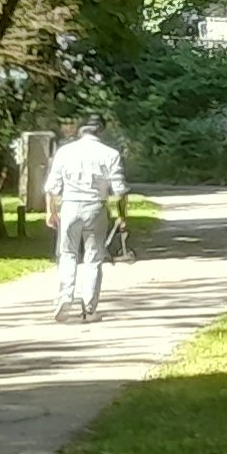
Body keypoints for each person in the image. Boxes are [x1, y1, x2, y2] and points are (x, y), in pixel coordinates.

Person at [41, 117, 129, 322]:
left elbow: (51, 187)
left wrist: (50, 212)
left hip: (70, 205)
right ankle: (89, 309)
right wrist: (122, 216)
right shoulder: (110, 154)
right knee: (93, 258)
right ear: (101, 132)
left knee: (67, 254)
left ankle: (65, 296)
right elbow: (120, 190)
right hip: (96, 207)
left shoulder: (64, 152)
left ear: (80, 131)